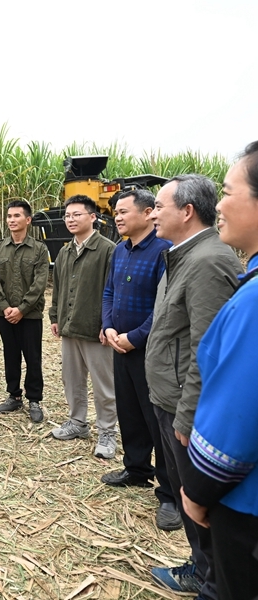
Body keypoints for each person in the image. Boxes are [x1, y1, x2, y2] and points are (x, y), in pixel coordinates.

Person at [145, 175, 241, 599]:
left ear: (186, 212)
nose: (152, 214)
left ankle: (212, 579)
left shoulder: (207, 263)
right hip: (170, 399)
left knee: (200, 502)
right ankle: (202, 568)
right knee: (188, 496)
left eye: (159, 207)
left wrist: (187, 416)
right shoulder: (182, 256)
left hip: (186, 411)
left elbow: (209, 350)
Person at [181, 142, 258, 600]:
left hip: (245, 507)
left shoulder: (253, 302)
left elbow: (238, 417)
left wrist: (197, 489)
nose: (220, 206)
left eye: (227, 192)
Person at [99, 189, 181, 531]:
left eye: (123, 211)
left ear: (148, 213)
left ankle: (170, 493)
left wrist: (134, 337)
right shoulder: (120, 250)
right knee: (129, 410)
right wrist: (108, 326)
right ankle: (136, 469)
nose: (117, 217)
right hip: (119, 345)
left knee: (157, 420)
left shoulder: (165, 251)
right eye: (115, 212)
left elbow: (163, 307)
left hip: (150, 351)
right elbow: (109, 292)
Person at [49, 195, 118, 458]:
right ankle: (77, 422)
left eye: (76, 214)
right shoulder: (65, 251)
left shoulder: (108, 250)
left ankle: (107, 432)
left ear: (93, 217)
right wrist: (55, 317)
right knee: (72, 379)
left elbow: (113, 291)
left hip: (95, 329)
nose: (70, 219)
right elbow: (58, 287)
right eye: (67, 215)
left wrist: (107, 323)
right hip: (70, 325)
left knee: (104, 385)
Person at [0, 200, 50, 423]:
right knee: (10, 354)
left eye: (17, 216)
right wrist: (5, 307)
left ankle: (34, 399)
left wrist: (22, 309)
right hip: (5, 315)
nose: (12, 220)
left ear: (28, 220)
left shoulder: (39, 249)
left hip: (30, 315)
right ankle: (14, 396)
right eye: (9, 216)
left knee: (32, 357)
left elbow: (39, 283)